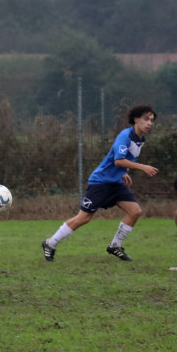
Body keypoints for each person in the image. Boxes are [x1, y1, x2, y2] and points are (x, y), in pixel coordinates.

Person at [41, 104, 158, 262]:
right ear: (136, 120)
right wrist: (142, 167)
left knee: (135, 211)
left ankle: (115, 245)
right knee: (84, 218)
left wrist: (124, 174)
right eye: (146, 119)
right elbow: (118, 160)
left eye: (151, 120)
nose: (149, 123)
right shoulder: (126, 135)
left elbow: (123, 160)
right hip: (100, 182)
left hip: (116, 183)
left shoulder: (140, 139)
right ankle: (50, 243)